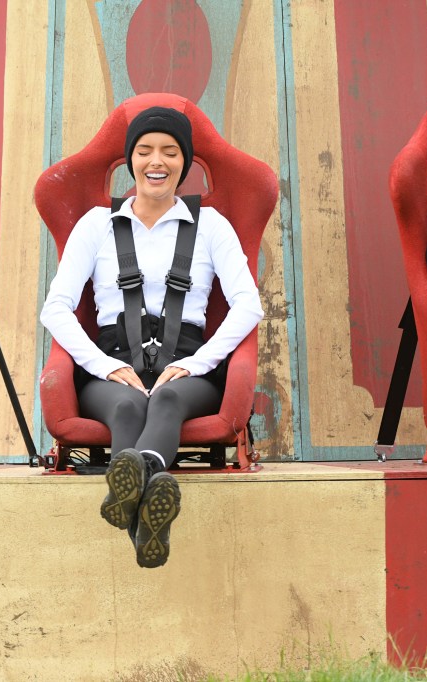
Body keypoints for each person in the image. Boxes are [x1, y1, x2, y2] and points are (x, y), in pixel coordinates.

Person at [40, 106, 264, 567]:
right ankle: (151, 505)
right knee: (127, 404)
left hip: (188, 367)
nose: (155, 161)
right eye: (144, 151)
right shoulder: (95, 225)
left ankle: (136, 500)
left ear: (184, 163)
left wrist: (196, 363)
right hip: (111, 365)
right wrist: (105, 366)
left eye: (169, 151)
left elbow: (249, 304)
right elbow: (56, 307)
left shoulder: (212, 226)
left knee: (164, 401)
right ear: (129, 160)